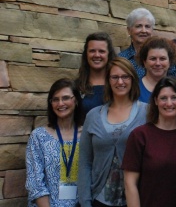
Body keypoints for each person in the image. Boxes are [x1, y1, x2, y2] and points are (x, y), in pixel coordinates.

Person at [78, 57, 147, 207]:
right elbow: (85, 162)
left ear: (133, 79)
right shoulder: (93, 116)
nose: (120, 82)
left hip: (137, 199)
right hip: (99, 199)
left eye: (125, 77)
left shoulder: (147, 113)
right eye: (115, 77)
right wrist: (85, 202)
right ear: (108, 81)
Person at [123, 77, 176, 207]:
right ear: (156, 101)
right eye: (163, 98)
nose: (169, 103)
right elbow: (130, 183)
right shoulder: (140, 136)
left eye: (174, 97)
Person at [26, 78, 84, 207]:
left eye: (66, 98)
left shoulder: (87, 136)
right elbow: (35, 184)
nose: (60, 103)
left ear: (76, 100)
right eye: (55, 99)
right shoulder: (39, 137)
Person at [76, 32, 116, 115]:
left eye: (101, 51)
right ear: (86, 54)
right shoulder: (76, 86)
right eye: (92, 51)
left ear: (109, 54)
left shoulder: (118, 83)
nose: (97, 55)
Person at [137, 36, 176, 104]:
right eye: (153, 59)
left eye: (162, 59)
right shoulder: (134, 88)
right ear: (144, 62)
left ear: (170, 62)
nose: (158, 63)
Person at [119, 8, 155, 78]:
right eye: (138, 26)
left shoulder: (162, 58)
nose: (144, 31)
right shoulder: (121, 58)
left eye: (147, 26)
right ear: (129, 30)